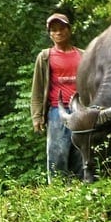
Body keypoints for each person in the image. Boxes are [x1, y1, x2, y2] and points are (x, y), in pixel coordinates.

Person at [30, 12, 84, 182]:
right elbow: (37, 89)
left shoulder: (83, 55)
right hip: (56, 111)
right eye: (54, 30)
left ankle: (81, 189)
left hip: (81, 110)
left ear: (69, 30)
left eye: (62, 28)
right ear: (50, 34)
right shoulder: (45, 57)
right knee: (58, 152)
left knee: (81, 151)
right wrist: (37, 116)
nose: (58, 33)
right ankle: (58, 190)